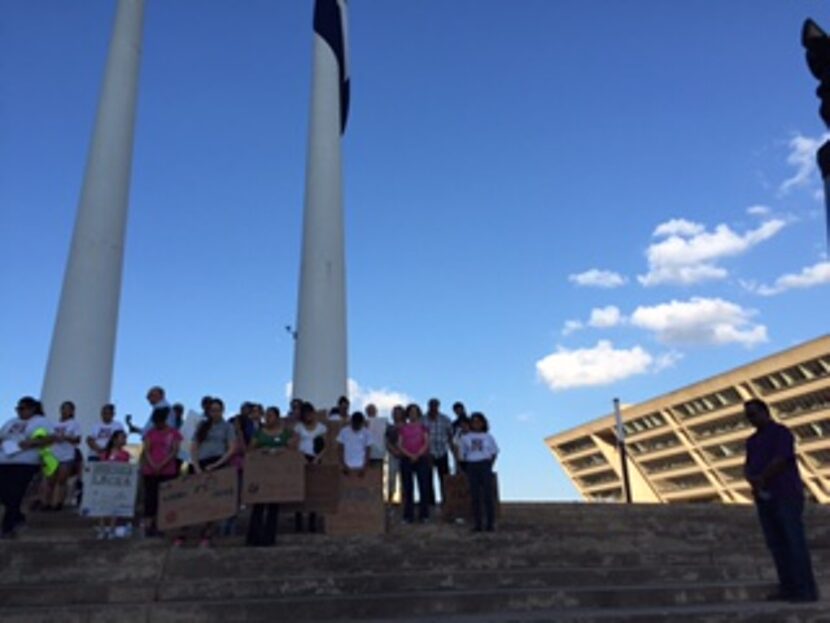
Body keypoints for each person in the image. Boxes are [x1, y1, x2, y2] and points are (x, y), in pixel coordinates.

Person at [744, 398, 818, 602]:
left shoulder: (781, 433)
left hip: (785, 494)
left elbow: (782, 459)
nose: (751, 419)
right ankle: (788, 587)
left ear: (765, 412)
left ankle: (805, 589)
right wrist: (752, 480)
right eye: (748, 416)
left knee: (794, 542)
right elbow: (748, 465)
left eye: (754, 414)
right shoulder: (751, 441)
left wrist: (762, 478)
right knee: (777, 545)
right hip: (764, 497)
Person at [180, 398, 237, 547]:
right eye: (213, 410)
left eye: (218, 410)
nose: (215, 413)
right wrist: (197, 465)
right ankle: (184, 532)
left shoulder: (227, 427)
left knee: (213, 499)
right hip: (201, 462)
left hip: (218, 461)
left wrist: (218, 464)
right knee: (194, 498)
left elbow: (231, 448)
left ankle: (208, 532)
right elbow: (194, 446)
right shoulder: (202, 426)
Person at [0, 397, 54, 538]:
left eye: (22, 408)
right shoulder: (11, 422)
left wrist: (31, 443)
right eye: (18, 408)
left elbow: (50, 438)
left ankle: (7, 527)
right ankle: (17, 516)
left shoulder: (41, 421)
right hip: (4, 460)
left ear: (32, 409)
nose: (19, 411)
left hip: (26, 462)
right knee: (4, 493)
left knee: (15, 494)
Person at [246, 406, 297, 547]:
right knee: (258, 505)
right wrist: (264, 450)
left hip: (278, 474)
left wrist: (280, 450)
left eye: (270, 415)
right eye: (266, 415)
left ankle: (269, 538)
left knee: (274, 506)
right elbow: (251, 449)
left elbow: (292, 447)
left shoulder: (285, 433)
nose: (267, 418)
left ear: (277, 417)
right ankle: (253, 537)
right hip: (261, 473)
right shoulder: (259, 433)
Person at [141, 407, 182, 537]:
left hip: (168, 469)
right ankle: (149, 525)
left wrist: (162, 464)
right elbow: (147, 449)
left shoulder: (174, 433)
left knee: (164, 498)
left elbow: (174, 451)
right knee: (150, 498)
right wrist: (153, 464)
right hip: (151, 469)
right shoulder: (151, 433)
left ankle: (162, 524)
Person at [461, 412, 499, 533]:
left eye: (478, 421)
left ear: (483, 423)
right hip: (472, 465)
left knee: (487, 496)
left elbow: (494, 452)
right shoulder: (465, 438)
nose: (476, 424)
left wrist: (489, 464)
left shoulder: (488, 437)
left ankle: (490, 523)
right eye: (474, 422)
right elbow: (462, 454)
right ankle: (478, 524)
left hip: (484, 464)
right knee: (475, 496)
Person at [294, 401, 326, 533]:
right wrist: (301, 457)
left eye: (310, 413)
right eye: (305, 414)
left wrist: (318, 458)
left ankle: (312, 522)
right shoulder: (298, 427)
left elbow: (325, 445)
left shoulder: (321, 427)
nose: (308, 416)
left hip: (316, 458)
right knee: (299, 489)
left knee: (314, 490)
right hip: (301, 458)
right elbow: (295, 444)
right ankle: (298, 522)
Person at [44, 400, 81, 511]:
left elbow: (77, 439)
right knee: (49, 480)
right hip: (52, 454)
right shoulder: (53, 424)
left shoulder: (75, 424)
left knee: (62, 480)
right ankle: (47, 502)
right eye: (63, 408)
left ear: (72, 411)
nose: (65, 411)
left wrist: (65, 437)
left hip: (66, 455)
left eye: (68, 409)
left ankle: (58, 502)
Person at [398, 404, 431, 523]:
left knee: (423, 486)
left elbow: (426, 442)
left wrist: (418, 454)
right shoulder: (403, 428)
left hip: (421, 459)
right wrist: (410, 455)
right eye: (411, 412)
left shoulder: (423, 427)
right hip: (407, 459)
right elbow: (400, 444)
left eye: (415, 412)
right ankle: (408, 515)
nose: (413, 414)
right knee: (408, 488)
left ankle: (424, 515)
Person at [98, 430, 132, 539]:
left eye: (125, 438)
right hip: (105, 483)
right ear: (114, 439)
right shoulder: (105, 453)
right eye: (122, 437)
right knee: (102, 506)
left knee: (115, 506)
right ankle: (102, 529)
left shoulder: (125, 454)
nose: (124, 440)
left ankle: (112, 529)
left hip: (118, 484)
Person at [424, 398, 453, 505]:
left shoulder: (445, 419)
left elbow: (450, 436)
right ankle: (430, 502)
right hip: (428, 452)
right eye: (431, 405)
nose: (433, 407)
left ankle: (446, 501)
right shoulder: (423, 419)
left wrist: (452, 450)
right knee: (428, 478)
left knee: (445, 478)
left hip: (442, 452)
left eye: (435, 405)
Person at [385, 406, 406, 503]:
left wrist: (403, 451)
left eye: (398, 412)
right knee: (391, 478)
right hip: (393, 455)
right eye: (395, 412)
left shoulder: (407, 427)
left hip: (405, 455)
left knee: (405, 479)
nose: (396, 414)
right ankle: (390, 499)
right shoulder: (389, 427)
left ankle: (404, 500)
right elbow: (386, 441)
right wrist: (393, 451)